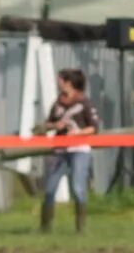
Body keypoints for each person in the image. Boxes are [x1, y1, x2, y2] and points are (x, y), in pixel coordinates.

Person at [35, 67, 100, 234]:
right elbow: (48, 123)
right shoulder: (58, 104)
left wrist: (77, 133)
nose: (58, 83)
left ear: (68, 83)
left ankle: (81, 228)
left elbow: (93, 128)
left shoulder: (84, 103)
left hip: (79, 149)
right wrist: (54, 126)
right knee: (50, 189)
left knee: (78, 189)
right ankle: (45, 227)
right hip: (60, 150)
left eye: (60, 80)